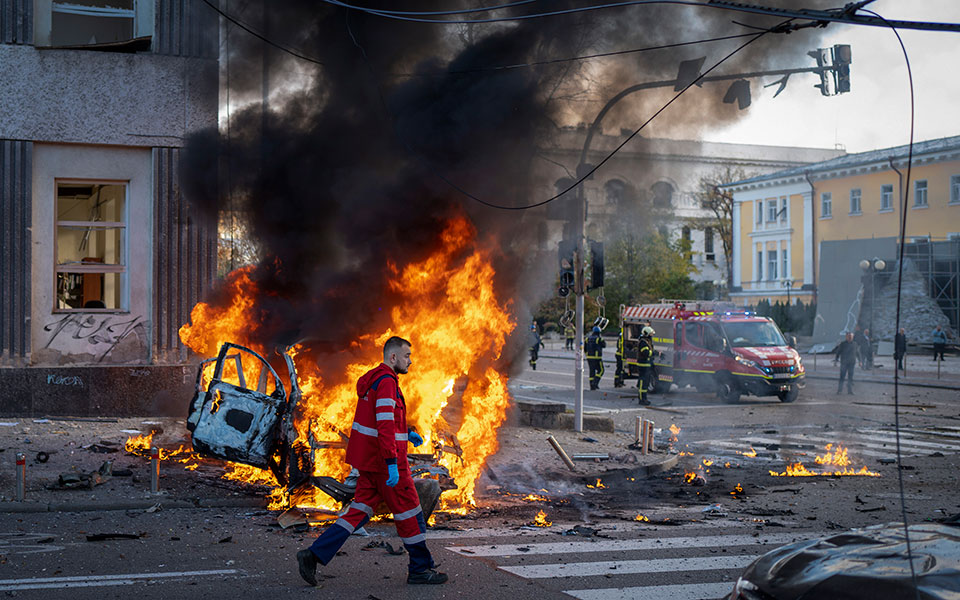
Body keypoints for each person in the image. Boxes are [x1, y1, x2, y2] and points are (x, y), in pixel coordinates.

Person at [296, 337, 447, 587]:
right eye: (407, 355)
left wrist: (406, 432)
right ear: (393, 358)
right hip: (387, 465)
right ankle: (420, 568)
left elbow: (382, 420)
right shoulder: (387, 382)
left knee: (358, 512)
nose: (411, 360)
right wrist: (391, 463)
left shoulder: (375, 379)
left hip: (369, 464)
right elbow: (384, 425)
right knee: (411, 513)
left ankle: (313, 555)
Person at [636, 326, 654, 406]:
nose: (651, 336)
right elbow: (646, 353)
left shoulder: (646, 341)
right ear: (646, 334)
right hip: (643, 365)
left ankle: (644, 398)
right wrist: (654, 354)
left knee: (645, 383)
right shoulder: (643, 342)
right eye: (650, 334)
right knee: (643, 383)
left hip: (646, 365)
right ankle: (642, 399)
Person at [585, 326, 605, 390]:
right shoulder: (599, 339)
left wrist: (587, 354)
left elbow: (584, 348)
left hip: (589, 357)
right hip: (597, 357)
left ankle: (592, 386)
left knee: (592, 371)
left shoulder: (587, 339)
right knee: (601, 370)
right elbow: (604, 345)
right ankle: (595, 382)